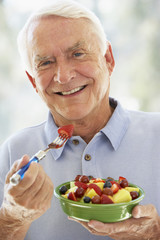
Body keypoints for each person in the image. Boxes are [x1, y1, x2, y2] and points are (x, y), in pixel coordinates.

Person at [0, 0, 160, 239]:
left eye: (77, 54)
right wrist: (12, 219)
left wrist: (154, 233)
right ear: (33, 82)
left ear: (108, 59)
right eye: (45, 63)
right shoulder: (14, 151)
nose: (63, 76)